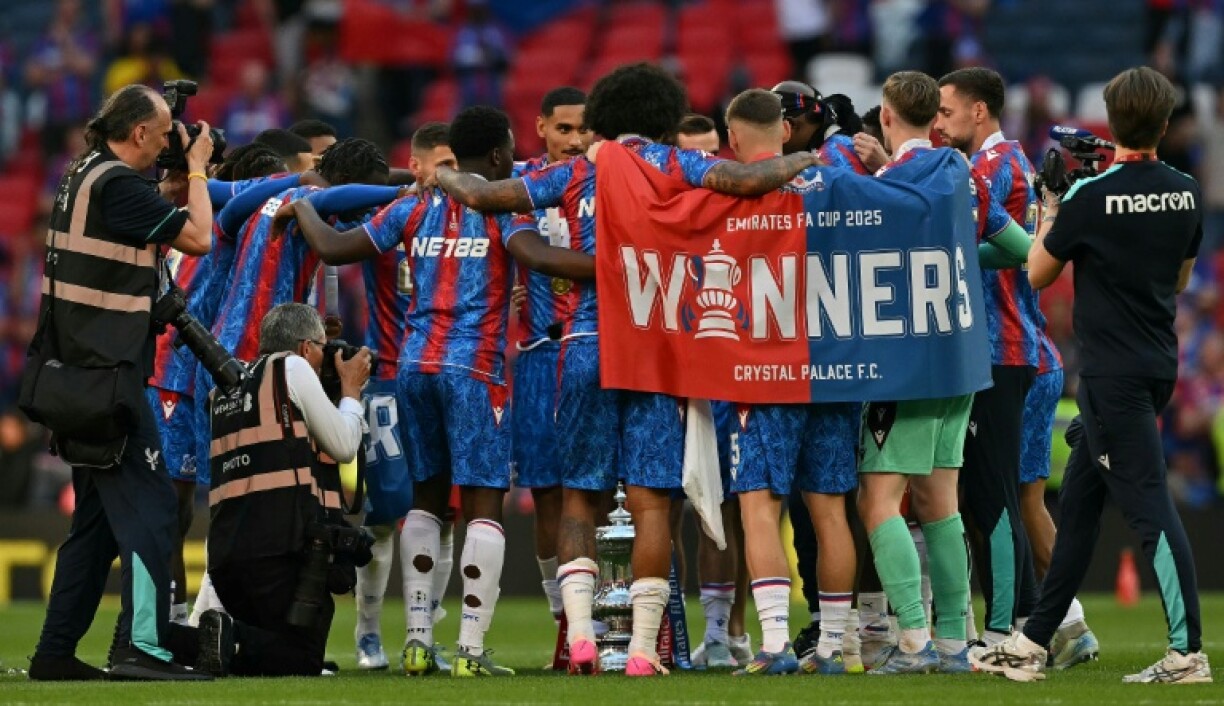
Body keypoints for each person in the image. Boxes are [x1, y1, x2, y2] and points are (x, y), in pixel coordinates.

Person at [434, 63, 820, 677]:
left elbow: (484, 195)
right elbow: (745, 181)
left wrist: (443, 175)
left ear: (607, 114)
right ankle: (643, 650)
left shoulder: (582, 167)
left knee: (580, 501)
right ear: (665, 113)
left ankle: (582, 636)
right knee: (650, 506)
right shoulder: (676, 164)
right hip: (657, 343)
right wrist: (802, 163)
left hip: (585, 340)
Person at [284, 105, 596, 677]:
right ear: (501, 155)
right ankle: (472, 652)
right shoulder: (498, 207)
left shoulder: (413, 207)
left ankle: (417, 642)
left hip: (415, 371)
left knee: (424, 503)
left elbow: (333, 247)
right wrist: (614, 265)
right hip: (474, 372)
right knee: (481, 506)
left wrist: (301, 203)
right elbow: (537, 256)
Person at [974, 66, 1212, 685]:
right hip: (1158, 365)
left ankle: (1187, 653)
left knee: (1150, 509)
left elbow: (1036, 273)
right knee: (1077, 509)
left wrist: (1051, 205)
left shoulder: (1090, 197)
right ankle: (1032, 642)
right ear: (1163, 122)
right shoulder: (1185, 190)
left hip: (1111, 376)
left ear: (1111, 119)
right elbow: (1182, 280)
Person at [26, 84, 214, 681]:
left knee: (96, 526)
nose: (167, 144)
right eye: (162, 135)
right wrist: (199, 171)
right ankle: (142, 647)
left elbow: (137, 215)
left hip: (73, 378)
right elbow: (199, 239)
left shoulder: (84, 173)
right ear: (137, 134)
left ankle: (54, 654)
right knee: (154, 509)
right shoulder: (114, 184)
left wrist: (175, 177)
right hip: (108, 381)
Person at [855, 70, 1030, 676]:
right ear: (935, 119)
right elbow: (1020, 249)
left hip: (903, 368)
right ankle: (955, 643)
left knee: (879, 501)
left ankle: (912, 642)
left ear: (885, 116)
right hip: (962, 361)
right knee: (940, 502)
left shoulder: (883, 188)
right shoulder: (963, 176)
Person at [936, 66, 1100, 666]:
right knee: (1016, 500)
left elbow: (1011, 252)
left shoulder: (991, 167)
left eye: (948, 111)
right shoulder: (1009, 165)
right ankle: (1056, 623)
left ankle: (1015, 629)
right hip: (1019, 348)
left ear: (980, 111)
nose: (939, 123)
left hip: (1007, 348)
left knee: (1000, 500)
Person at [719, 89, 860, 678]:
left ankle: (775, 643)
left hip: (764, 367)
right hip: (835, 366)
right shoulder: (837, 180)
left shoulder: (724, 191)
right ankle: (832, 648)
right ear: (784, 129)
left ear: (732, 139)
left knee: (759, 506)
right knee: (829, 511)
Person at [197, 303, 373, 677]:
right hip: (276, 553)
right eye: (323, 349)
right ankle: (172, 640)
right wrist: (351, 392)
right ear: (306, 348)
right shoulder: (290, 367)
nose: (326, 357)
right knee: (301, 660)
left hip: (227, 560)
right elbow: (344, 445)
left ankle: (208, 641)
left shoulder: (226, 387)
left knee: (278, 655)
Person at [352, 121, 457, 671]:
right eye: (437, 164)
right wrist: (399, 184)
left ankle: (427, 629)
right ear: (416, 166)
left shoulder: (469, 218)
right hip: (391, 377)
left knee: (447, 513)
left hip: (448, 374)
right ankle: (368, 631)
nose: (448, 175)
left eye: (454, 165)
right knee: (385, 514)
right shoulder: (390, 216)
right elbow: (336, 193)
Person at [511, 87, 592, 632]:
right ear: (541, 126)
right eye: (564, 129)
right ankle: (564, 619)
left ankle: (604, 611)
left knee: (596, 490)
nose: (575, 140)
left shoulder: (605, 181)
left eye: (583, 129)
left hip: (591, 346)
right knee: (546, 493)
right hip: (540, 354)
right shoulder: (521, 186)